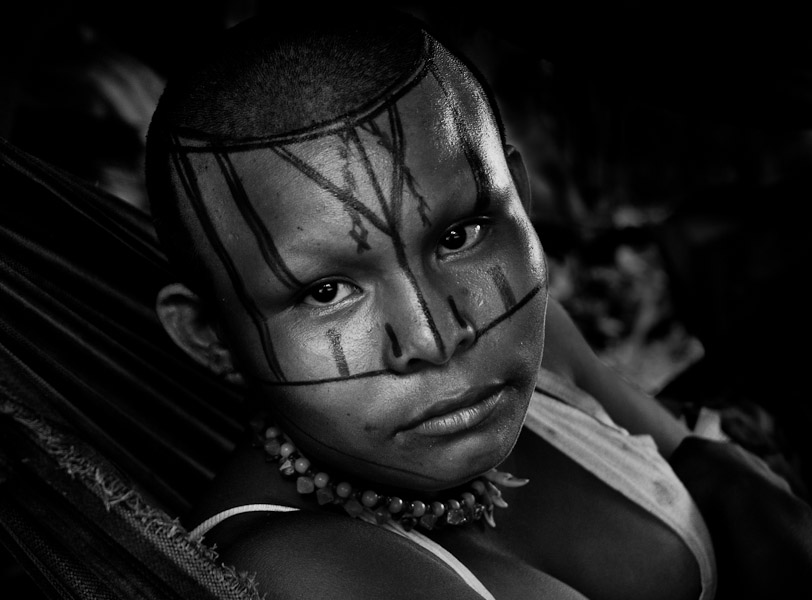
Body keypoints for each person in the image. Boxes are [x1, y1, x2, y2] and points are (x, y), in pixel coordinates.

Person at [144, 9, 812, 600]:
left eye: (459, 236)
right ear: (209, 337)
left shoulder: (533, 335)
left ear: (518, 200)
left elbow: (714, 468)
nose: (437, 337)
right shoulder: (299, 569)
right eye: (327, 292)